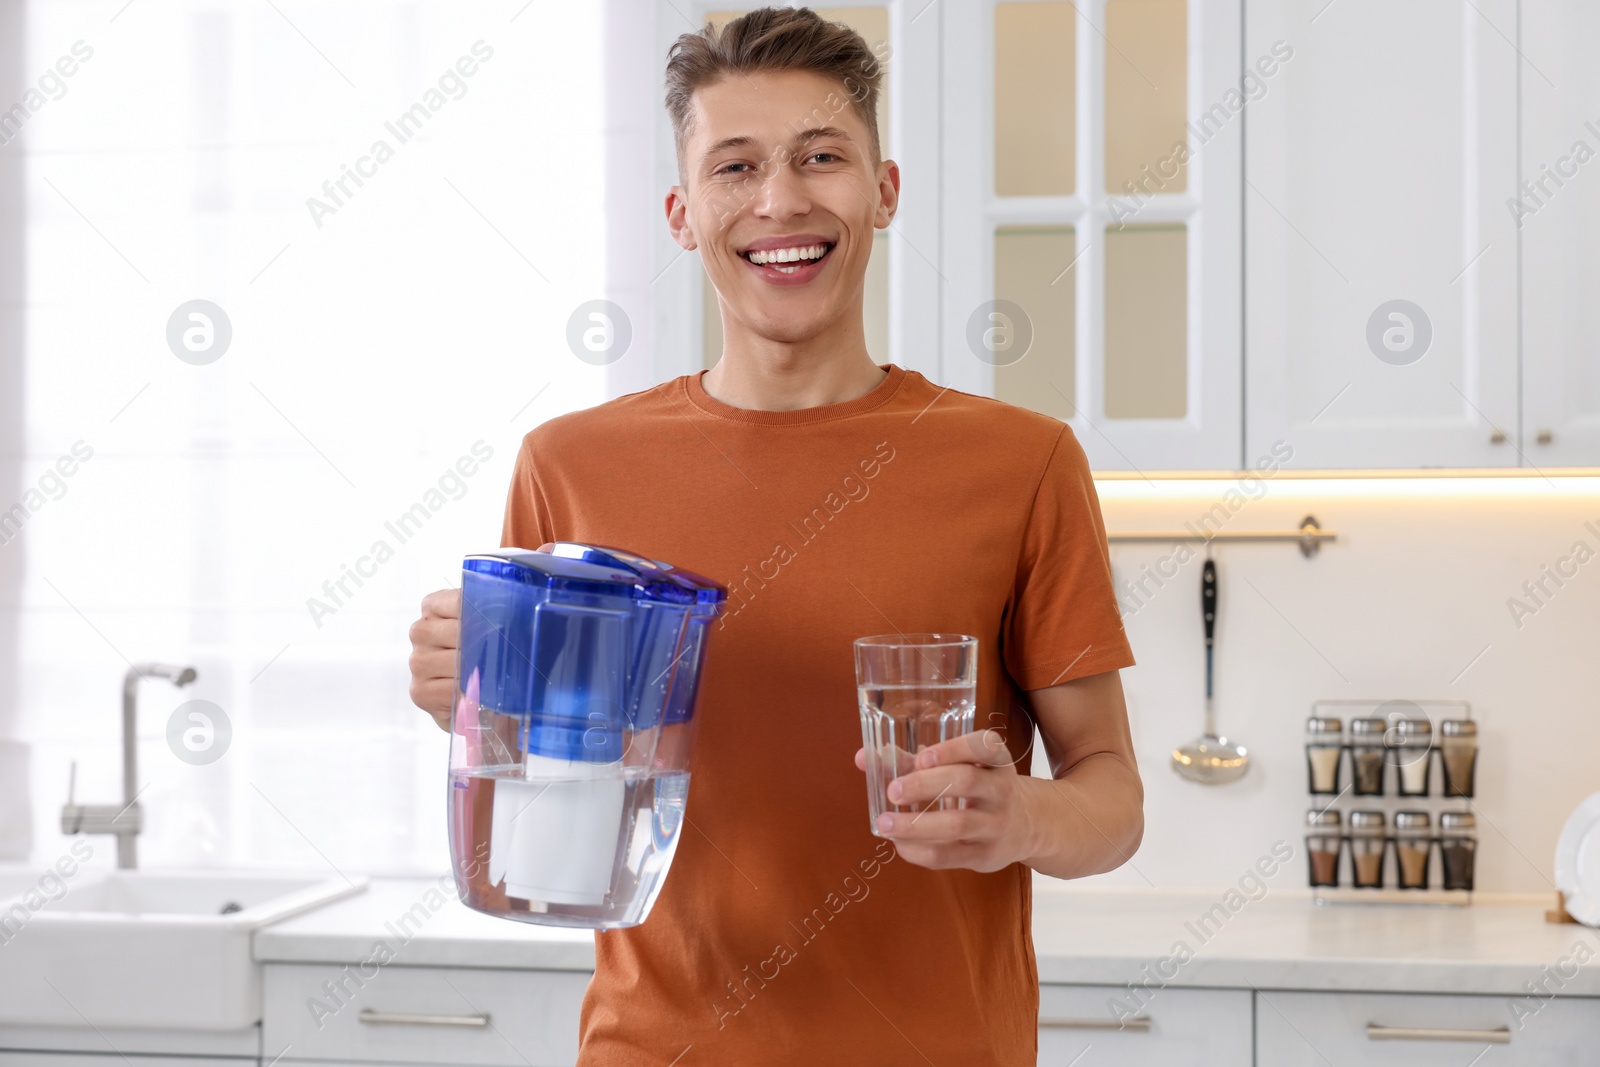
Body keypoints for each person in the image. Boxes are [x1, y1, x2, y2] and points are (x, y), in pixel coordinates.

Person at [408, 7, 1142, 1063]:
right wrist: (473, 700)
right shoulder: (569, 467)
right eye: (735, 166)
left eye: (822, 156)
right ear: (682, 210)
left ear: (883, 191)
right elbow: (541, 782)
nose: (780, 200)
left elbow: (1111, 795)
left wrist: (1018, 818)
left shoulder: (1019, 462)